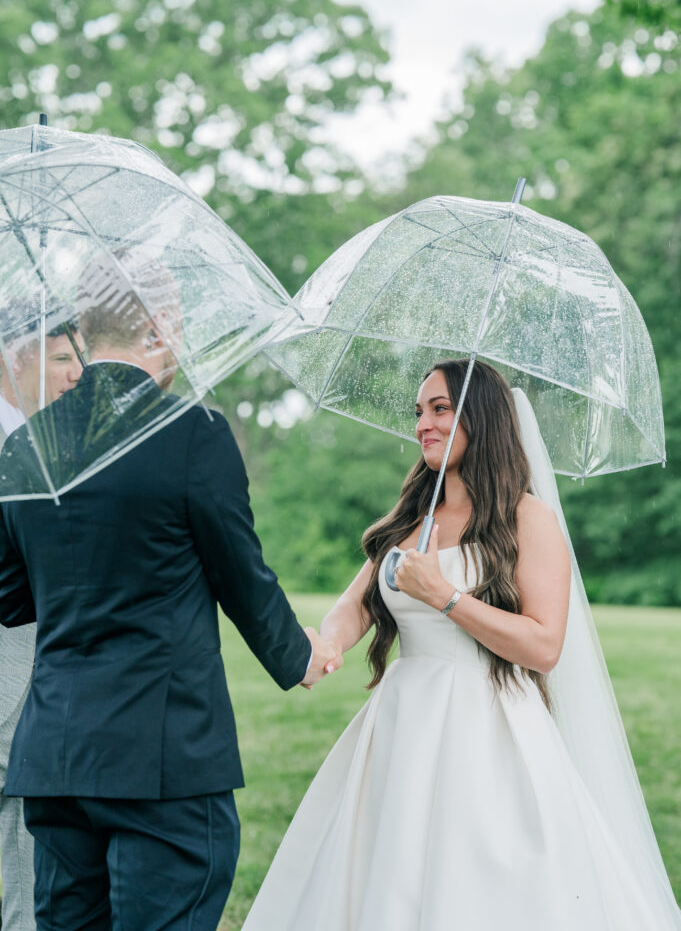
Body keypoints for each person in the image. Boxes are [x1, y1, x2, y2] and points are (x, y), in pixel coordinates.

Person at [242, 357, 681, 930]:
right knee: (389, 871)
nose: (422, 422)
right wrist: (329, 642)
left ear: (482, 417)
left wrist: (445, 596)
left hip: (489, 724)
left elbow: (545, 644)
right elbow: (357, 603)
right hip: (402, 723)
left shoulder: (528, 518)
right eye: (419, 411)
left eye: (440, 408)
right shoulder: (411, 517)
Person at [0, 255, 341, 931]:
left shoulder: (26, 445)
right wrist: (295, 655)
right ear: (157, 329)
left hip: (56, 758)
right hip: (163, 758)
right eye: (178, 320)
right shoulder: (193, 433)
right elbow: (239, 572)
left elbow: (11, 599)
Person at [0, 308, 84, 931]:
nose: (76, 374)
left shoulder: (40, 445)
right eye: (60, 358)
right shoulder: (17, 450)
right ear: (14, 357)